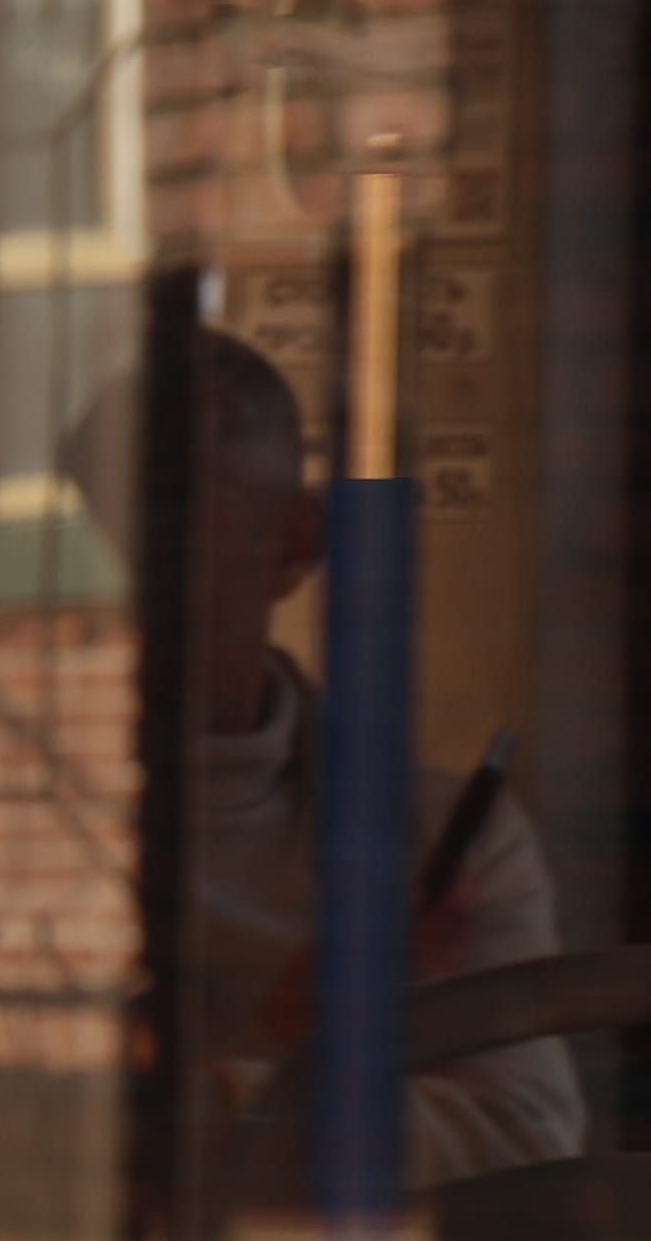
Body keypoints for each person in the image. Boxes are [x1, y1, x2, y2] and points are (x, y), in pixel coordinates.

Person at [118, 329, 581, 1186]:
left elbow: (521, 1137)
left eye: (169, 517)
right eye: (89, 521)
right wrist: (290, 1055)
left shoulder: (441, 838)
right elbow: (4, 1133)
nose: (117, 567)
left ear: (294, 543)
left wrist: (227, 1099)